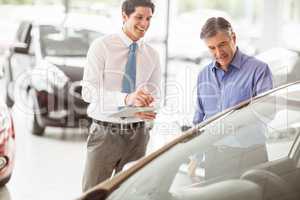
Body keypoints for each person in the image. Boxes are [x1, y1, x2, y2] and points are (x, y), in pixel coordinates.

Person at [81, 0, 161, 192]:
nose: (145, 24)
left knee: (131, 193)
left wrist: (148, 106)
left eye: (149, 18)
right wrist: (126, 99)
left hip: (138, 135)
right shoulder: (102, 46)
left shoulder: (152, 54)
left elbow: (157, 94)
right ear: (124, 15)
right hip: (105, 134)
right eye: (139, 17)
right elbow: (88, 92)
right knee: (94, 193)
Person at [188, 17, 273, 178]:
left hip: (250, 157)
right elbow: (199, 120)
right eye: (212, 48)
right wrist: (196, 157)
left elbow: (267, 113)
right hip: (215, 157)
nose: (218, 53)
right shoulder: (204, 75)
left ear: (233, 38)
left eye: (222, 45)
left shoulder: (259, 70)